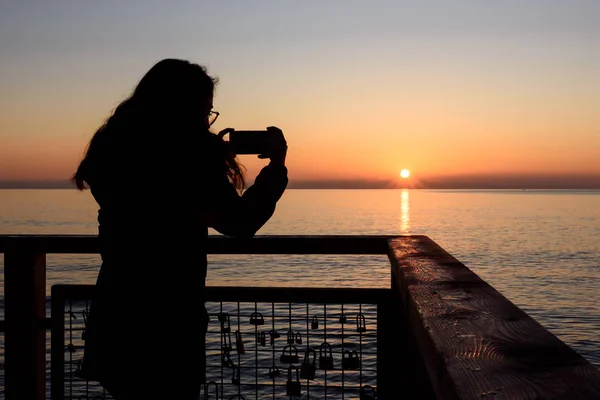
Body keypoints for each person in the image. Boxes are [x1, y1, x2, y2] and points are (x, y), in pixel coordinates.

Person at [72, 58, 288, 399]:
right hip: (169, 326)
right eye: (205, 111)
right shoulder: (190, 158)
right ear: (184, 109)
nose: (207, 122)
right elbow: (240, 221)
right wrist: (276, 167)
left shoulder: (114, 148)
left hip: (116, 317)